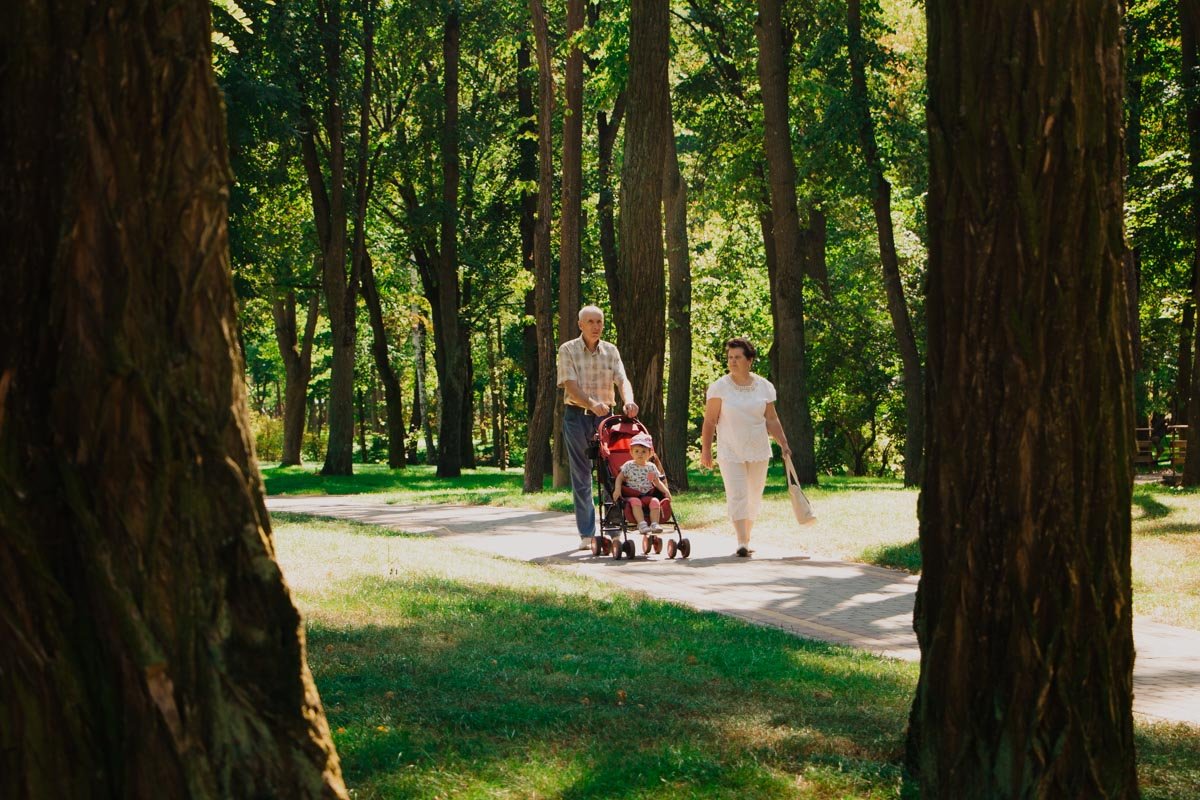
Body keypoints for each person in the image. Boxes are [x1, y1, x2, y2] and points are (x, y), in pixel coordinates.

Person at [700, 337, 791, 557]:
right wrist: (706, 450)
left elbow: (771, 419)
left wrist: (784, 444)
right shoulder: (720, 387)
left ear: (750, 360)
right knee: (737, 493)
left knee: (753, 494)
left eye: (737, 357)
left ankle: (747, 538)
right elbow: (710, 420)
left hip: (758, 449)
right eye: (730, 357)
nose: (732, 361)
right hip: (730, 449)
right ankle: (741, 541)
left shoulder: (764, 386)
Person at [557, 305, 639, 549]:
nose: (596, 326)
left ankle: (613, 529)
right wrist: (592, 403)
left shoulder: (610, 350)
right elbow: (570, 384)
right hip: (577, 416)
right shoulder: (568, 349)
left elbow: (622, 379)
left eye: (599, 322)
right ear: (580, 325)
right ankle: (587, 534)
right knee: (582, 476)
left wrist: (629, 401)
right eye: (590, 322)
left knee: (611, 473)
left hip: (606, 419)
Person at [612, 433, 671, 534]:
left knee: (655, 501)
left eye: (644, 451)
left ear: (650, 453)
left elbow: (656, 482)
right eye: (637, 451)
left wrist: (666, 492)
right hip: (632, 495)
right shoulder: (629, 465)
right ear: (631, 452)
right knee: (636, 502)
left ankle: (654, 524)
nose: (640, 454)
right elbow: (619, 478)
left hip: (647, 495)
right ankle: (642, 524)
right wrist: (617, 489)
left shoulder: (651, 467)